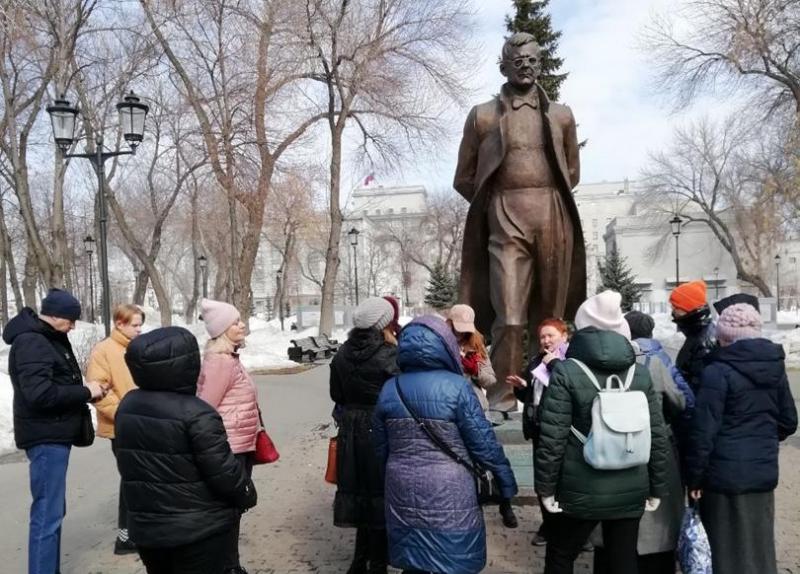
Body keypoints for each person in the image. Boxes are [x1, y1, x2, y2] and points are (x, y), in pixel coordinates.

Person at [454, 31, 585, 414]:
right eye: (518, 60)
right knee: (509, 318)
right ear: (504, 66)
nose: (525, 66)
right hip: (505, 216)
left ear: (540, 64)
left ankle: (552, 393)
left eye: (532, 59)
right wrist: (494, 203)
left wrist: (546, 198)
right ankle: (502, 397)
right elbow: (464, 177)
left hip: (551, 214)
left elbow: (571, 171)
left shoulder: (560, 115)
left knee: (550, 319)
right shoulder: (483, 115)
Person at [535, 291, 670, 574]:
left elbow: (552, 438)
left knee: (561, 554)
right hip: (631, 484)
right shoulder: (639, 373)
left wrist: (546, 488)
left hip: (579, 487)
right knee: (623, 558)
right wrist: (657, 486)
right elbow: (656, 434)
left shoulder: (566, 372)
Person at [373, 316, 518, 574]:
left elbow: (381, 449)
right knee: (452, 558)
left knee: (414, 558)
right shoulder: (458, 388)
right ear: (445, 346)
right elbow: (483, 443)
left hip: (401, 485)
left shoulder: (389, 388)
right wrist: (504, 480)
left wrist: (387, 480)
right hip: (450, 488)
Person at [115, 326, 257, 574]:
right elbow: (224, 474)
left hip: (148, 530)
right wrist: (246, 493)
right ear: (187, 365)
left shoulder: (128, 405)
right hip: (198, 530)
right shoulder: (197, 414)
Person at [687, 303, 797, 574]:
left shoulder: (717, 371)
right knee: (760, 548)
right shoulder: (775, 367)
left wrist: (695, 478)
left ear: (724, 337)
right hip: (762, 473)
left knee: (726, 550)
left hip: (722, 476)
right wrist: (763, 440)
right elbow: (789, 421)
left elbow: (704, 432)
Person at [3, 288, 108, 574]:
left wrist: (87, 392)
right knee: (47, 515)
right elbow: (40, 395)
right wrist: (86, 391)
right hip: (45, 435)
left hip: (53, 433)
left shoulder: (48, 338)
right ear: (55, 316)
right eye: (71, 320)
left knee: (52, 511)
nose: (74, 326)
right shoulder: (33, 342)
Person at [593, 310, 693, 574]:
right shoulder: (659, 360)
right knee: (656, 519)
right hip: (655, 446)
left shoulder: (604, 360)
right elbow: (683, 401)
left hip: (612, 448)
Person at [330, 297, 399, 574]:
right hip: (380, 427)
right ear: (384, 323)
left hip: (350, 428)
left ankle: (359, 561)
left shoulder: (342, 353)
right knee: (380, 495)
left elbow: (337, 395)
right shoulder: (389, 354)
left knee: (359, 493)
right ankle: (378, 564)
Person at [197, 299, 260, 574]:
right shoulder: (220, 362)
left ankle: (229, 564)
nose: (242, 324)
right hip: (230, 448)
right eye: (235, 322)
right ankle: (227, 566)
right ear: (223, 329)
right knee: (229, 508)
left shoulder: (230, 358)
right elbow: (206, 407)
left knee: (233, 508)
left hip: (238, 444)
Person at [447, 304, 518, 530]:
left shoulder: (476, 344)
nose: (460, 332)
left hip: (476, 409)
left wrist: (474, 368)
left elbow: (490, 379)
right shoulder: (440, 343)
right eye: (457, 327)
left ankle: (505, 503)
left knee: (491, 457)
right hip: (449, 409)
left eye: (464, 328)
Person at [86, 303, 144, 555]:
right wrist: (125, 413)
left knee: (143, 478)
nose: (140, 330)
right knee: (132, 478)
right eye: (135, 325)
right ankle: (125, 535)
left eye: (141, 324)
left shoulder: (138, 348)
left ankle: (142, 530)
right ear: (119, 324)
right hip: (121, 427)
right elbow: (98, 391)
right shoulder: (104, 350)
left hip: (144, 424)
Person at [507, 317, 569, 546]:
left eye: (550, 335)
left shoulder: (569, 360)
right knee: (542, 481)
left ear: (564, 336)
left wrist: (554, 363)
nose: (545, 340)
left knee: (564, 481)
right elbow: (533, 395)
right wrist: (521, 388)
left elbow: (568, 387)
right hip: (539, 430)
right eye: (542, 336)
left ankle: (570, 528)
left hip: (562, 431)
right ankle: (549, 526)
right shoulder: (536, 360)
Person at [670, 280, 716, 393]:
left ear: (688, 308)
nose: (673, 311)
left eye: (676, 307)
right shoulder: (697, 333)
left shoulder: (703, 341)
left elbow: (702, 386)